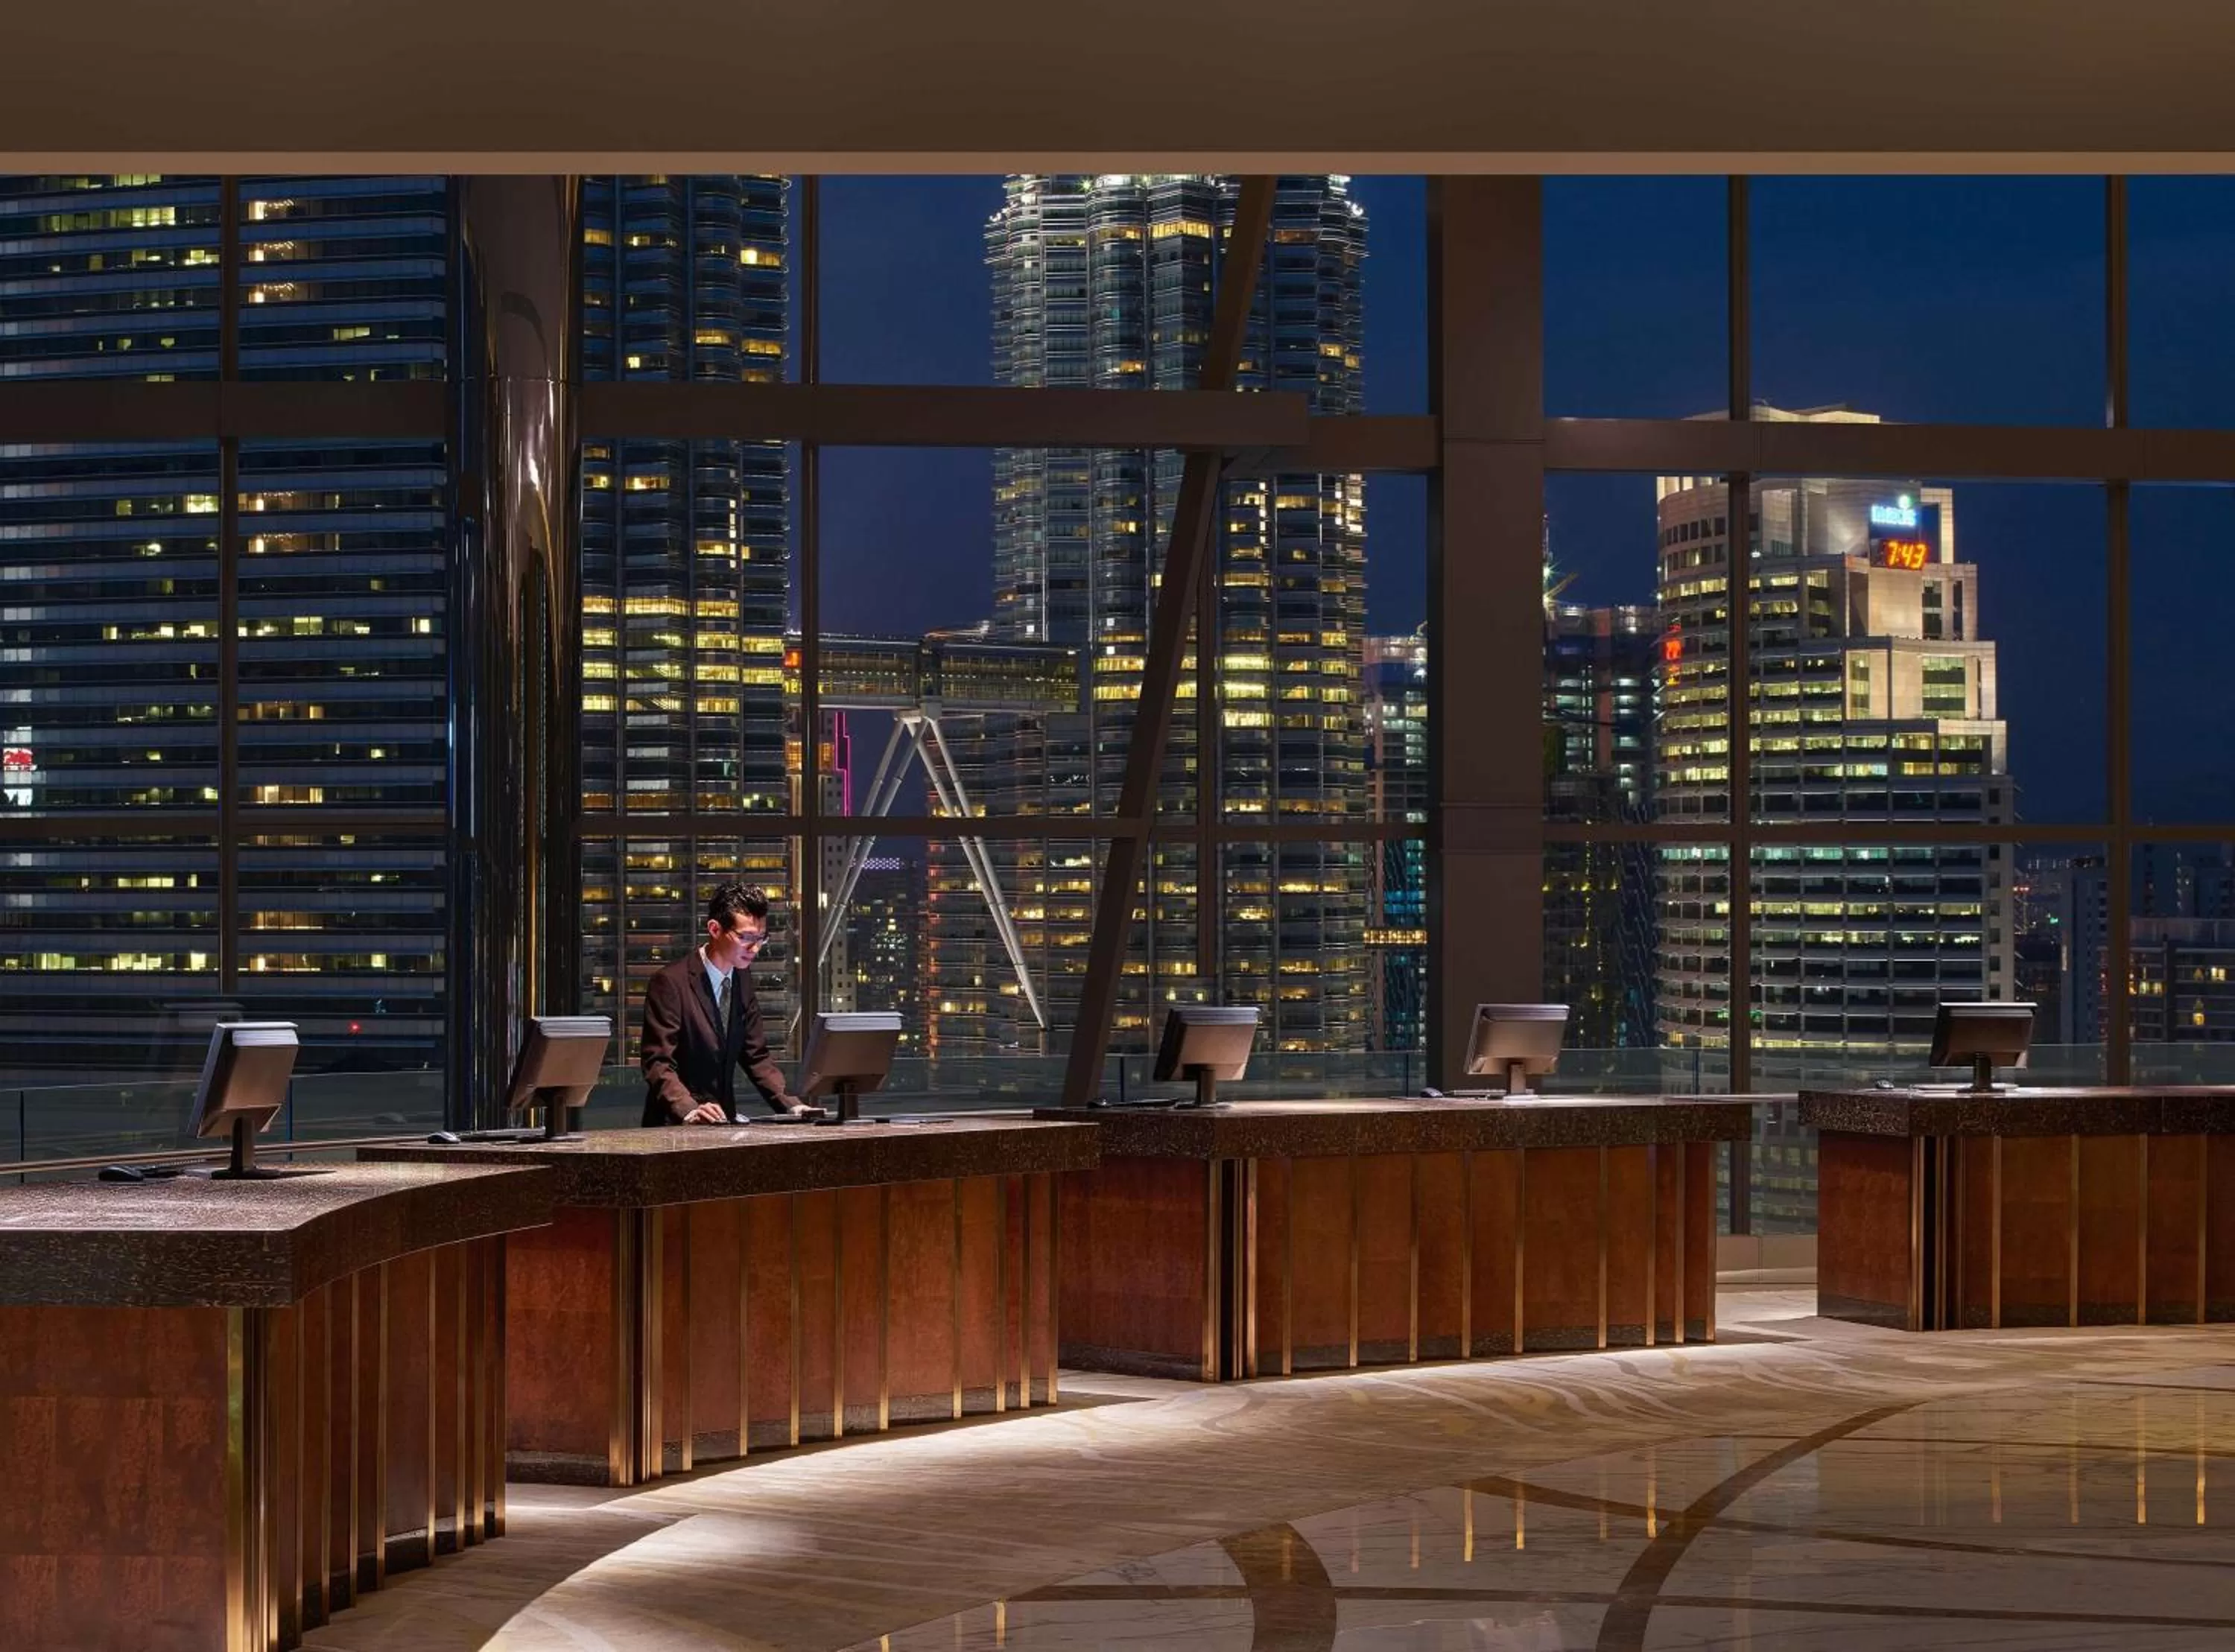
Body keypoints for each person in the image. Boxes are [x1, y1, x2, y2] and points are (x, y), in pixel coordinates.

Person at [639, 883, 817, 1125]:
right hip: (674, 1126)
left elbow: (756, 1057)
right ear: (714, 929)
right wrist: (690, 1109)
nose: (755, 948)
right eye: (746, 938)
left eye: (761, 938)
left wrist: (794, 1106)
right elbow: (658, 1063)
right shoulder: (670, 982)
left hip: (723, 1123)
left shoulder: (741, 978)